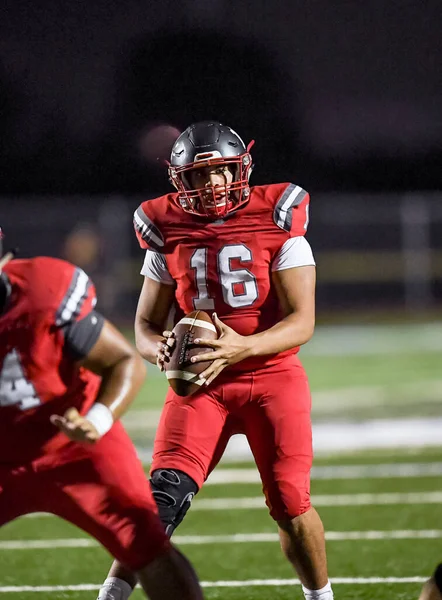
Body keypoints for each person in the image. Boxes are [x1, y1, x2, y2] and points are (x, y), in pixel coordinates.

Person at [97, 120, 334, 600]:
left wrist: (239, 347)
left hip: (272, 377)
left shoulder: (279, 216)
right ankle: (110, 596)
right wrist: (160, 351)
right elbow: (144, 325)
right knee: (158, 500)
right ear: (178, 181)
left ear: (240, 170)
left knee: (290, 502)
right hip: (200, 384)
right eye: (197, 177)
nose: (211, 184)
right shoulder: (164, 226)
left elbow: (302, 321)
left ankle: (320, 597)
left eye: (221, 172)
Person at [0, 231, 204, 600]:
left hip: (75, 447)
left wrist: (96, 420)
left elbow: (122, 361)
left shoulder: (41, 294)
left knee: (147, 545)